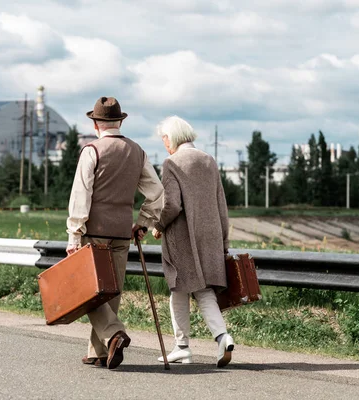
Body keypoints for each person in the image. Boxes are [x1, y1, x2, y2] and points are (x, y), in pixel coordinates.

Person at [66, 96, 163, 370]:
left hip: (94, 232)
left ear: (96, 124)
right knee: (111, 292)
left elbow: (80, 197)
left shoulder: (91, 151)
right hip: (122, 233)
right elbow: (157, 193)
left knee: (88, 292)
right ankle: (97, 352)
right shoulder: (138, 152)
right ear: (120, 121)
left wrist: (74, 236)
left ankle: (113, 334)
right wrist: (143, 222)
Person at [151, 116, 234, 368]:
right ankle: (222, 336)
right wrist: (224, 240)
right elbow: (221, 202)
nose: (164, 143)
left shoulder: (171, 163)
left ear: (171, 138)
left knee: (178, 288)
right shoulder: (208, 160)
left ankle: (182, 347)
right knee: (204, 290)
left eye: (164, 138)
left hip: (183, 239)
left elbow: (172, 205)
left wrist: (158, 226)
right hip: (210, 236)